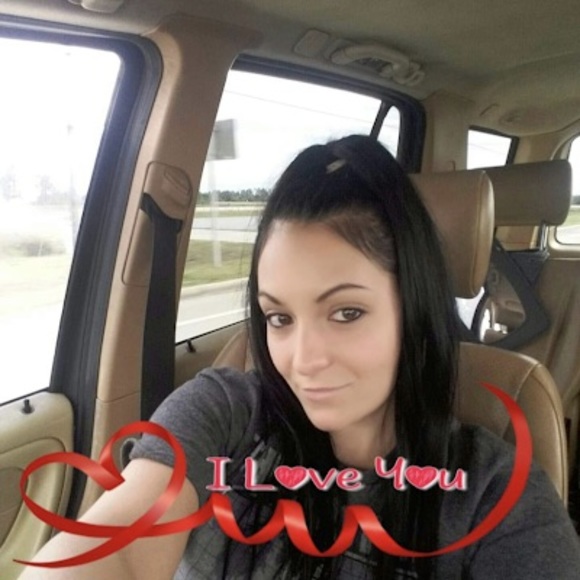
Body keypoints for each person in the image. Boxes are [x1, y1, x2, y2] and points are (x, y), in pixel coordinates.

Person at [19, 135, 580, 579]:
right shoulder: (226, 413)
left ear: (411, 309)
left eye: (346, 312)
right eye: (279, 318)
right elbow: (124, 545)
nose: (303, 360)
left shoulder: (493, 499)